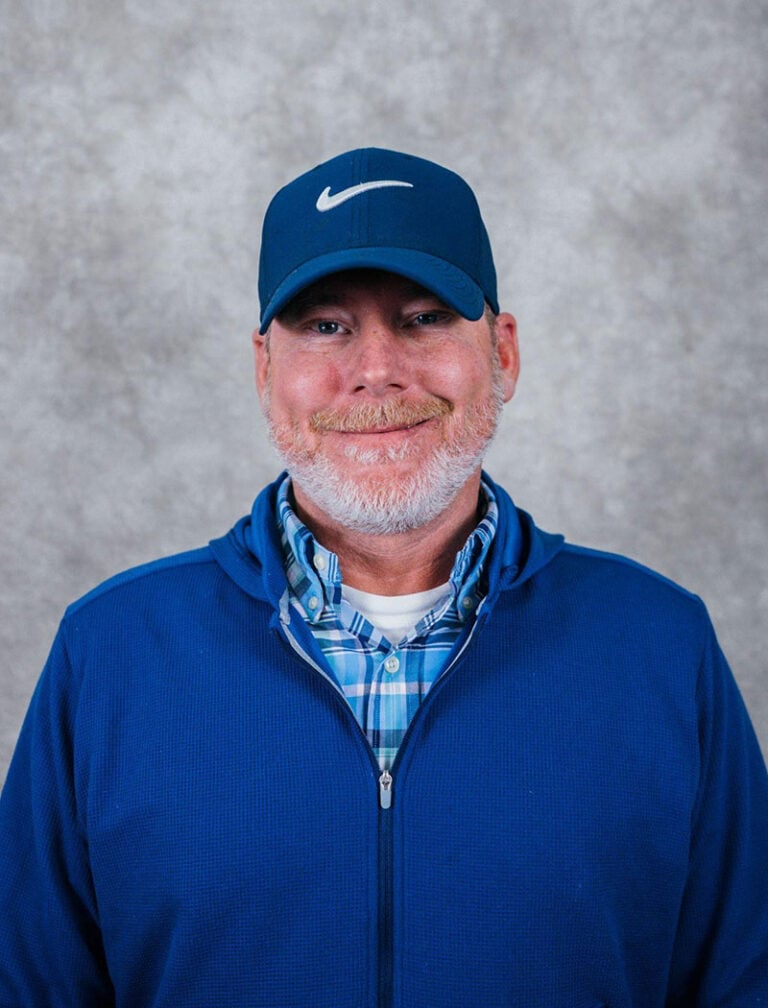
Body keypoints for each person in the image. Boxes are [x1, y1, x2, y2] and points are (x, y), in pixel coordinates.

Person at [0, 147, 766, 1007]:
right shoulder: (110, 654)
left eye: (424, 317)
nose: (375, 369)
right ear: (264, 368)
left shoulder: (659, 645)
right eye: (325, 325)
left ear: (502, 353)